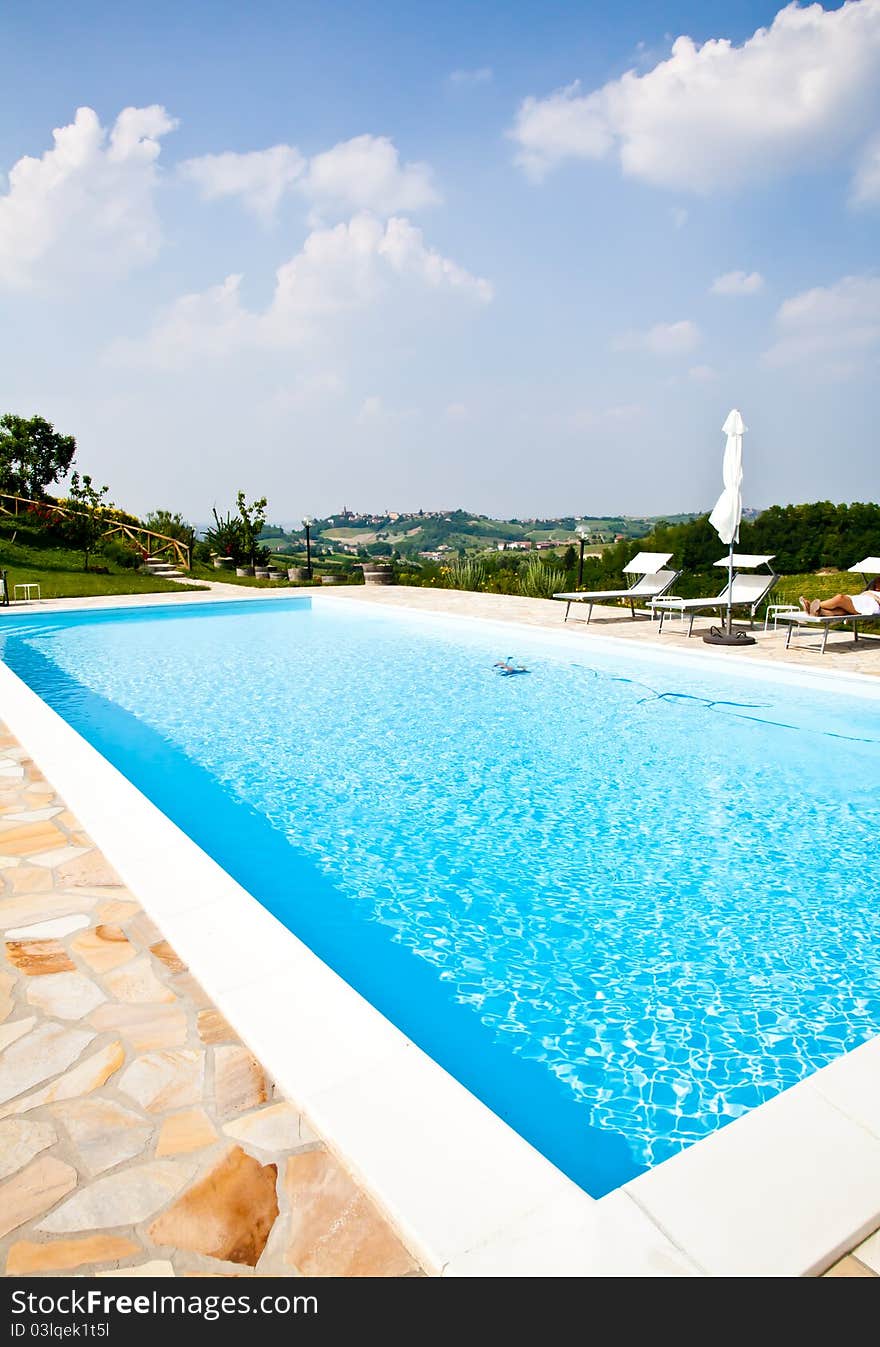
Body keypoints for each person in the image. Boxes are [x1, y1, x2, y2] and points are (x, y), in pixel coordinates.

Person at [800, 576, 880, 617]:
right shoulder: (871, 591)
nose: (876, 586)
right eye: (876, 583)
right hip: (860, 601)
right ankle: (818, 611)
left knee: (840, 598)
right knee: (839, 610)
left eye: (878, 583)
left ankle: (811, 606)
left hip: (870, 605)